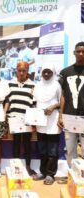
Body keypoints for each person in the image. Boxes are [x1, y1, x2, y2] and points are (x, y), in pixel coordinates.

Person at [58, 42, 84, 183]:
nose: (81, 54)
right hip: (69, 116)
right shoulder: (65, 72)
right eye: (78, 51)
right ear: (74, 52)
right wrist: (61, 115)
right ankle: (72, 178)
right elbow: (63, 95)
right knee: (70, 149)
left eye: (83, 51)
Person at [5, 61, 36, 176]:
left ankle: (28, 167)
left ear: (27, 71)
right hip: (14, 119)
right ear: (16, 71)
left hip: (27, 119)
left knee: (27, 144)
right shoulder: (10, 84)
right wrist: (6, 116)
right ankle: (16, 166)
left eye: (24, 70)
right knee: (16, 143)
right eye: (19, 70)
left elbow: (34, 103)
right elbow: (8, 100)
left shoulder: (33, 85)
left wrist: (33, 121)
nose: (22, 73)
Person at [33, 65, 61, 185]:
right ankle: (42, 172)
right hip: (40, 121)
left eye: (49, 72)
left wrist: (53, 106)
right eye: (44, 72)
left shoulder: (57, 85)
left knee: (53, 150)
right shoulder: (38, 85)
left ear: (53, 72)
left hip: (53, 121)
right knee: (43, 148)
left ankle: (50, 174)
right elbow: (34, 102)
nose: (46, 74)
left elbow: (62, 101)